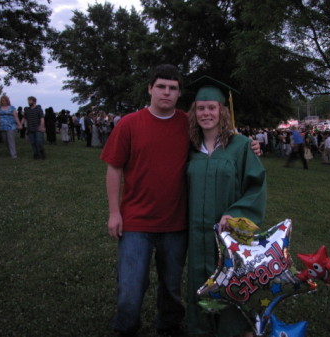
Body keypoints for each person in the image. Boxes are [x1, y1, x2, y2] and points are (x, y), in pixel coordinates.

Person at [101, 64, 189, 337]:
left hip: (176, 222)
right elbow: (114, 168)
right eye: (161, 86)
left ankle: (169, 327)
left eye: (172, 88)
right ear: (150, 88)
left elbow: (219, 144)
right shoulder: (129, 123)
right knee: (130, 286)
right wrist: (114, 212)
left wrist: (250, 145)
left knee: (171, 287)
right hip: (136, 222)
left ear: (179, 93)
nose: (166, 92)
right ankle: (126, 328)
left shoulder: (189, 124)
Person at [186, 79, 266, 337]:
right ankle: (201, 329)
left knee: (231, 278)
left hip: (229, 233)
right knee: (199, 280)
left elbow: (256, 185)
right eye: (201, 108)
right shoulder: (188, 148)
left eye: (212, 107)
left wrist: (237, 213)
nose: (206, 113)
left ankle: (233, 330)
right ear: (194, 112)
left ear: (223, 111)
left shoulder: (241, 145)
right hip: (197, 234)